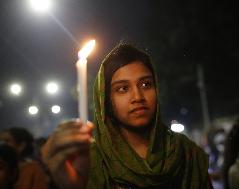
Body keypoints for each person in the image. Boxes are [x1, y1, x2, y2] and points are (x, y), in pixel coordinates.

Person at [41, 42, 212, 189]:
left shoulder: (187, 152)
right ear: (106, 100)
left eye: (146, 84)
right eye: (122, 88)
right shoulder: (89, 160)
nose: (138, 97)